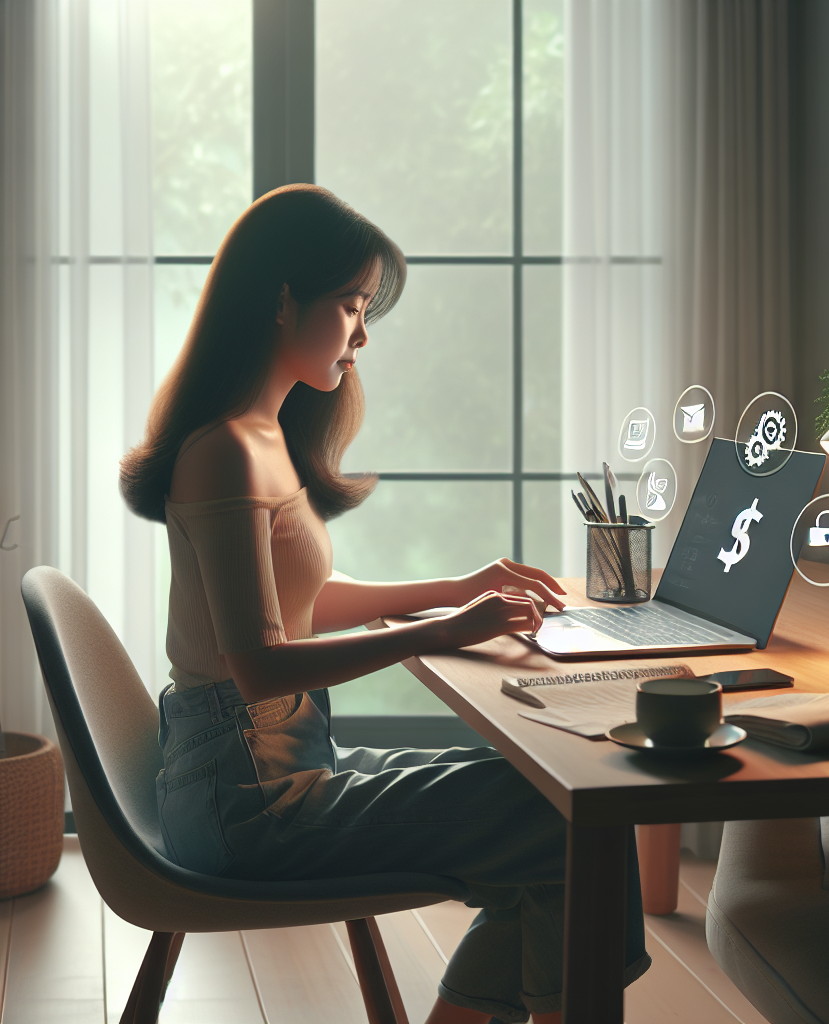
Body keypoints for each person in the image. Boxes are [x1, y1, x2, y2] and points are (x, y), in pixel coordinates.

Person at [120, 184, 650, 1024]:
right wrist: (438, 633)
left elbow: (299, 604)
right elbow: (256, 664)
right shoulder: (224, 451)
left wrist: (459, 588)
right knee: (561, 828)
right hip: (248, 804)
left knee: (557, 807)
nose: (363, 333)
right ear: (284, 298)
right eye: (351, 305)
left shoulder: (258, 438)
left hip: (267, 769)